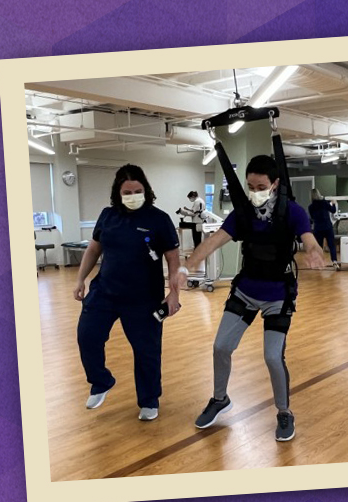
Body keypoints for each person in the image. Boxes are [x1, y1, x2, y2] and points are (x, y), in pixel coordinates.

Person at [181, 154, 325, 441]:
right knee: (221, 346)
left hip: (277, 296)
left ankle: (284, 412)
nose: (255, 192)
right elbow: (213, 241)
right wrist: (189, 264)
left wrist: (314, 250)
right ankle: (220, 399)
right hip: (246, 291)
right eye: (251, 186)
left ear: (274, 184)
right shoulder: (243, 214)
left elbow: (308, 237)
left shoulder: (291, 212)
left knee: (272, 356)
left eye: (261, 186)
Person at [75, 164, 182, 421]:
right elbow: (93, 250)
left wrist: (174, 293)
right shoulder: (107, 216)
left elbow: (173, 258)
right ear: (118, 193)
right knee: (87, 337)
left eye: (137, 190)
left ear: (146, 190)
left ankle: (149, 400)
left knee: (146, 350)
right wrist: (80, 279)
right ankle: (101, 381)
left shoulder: (159, 219)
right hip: (105, 292)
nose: (133, 195)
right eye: (127, 192)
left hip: (143, 298)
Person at [307, 188, 339, 266]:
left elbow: (312, 217)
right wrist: (334, 203)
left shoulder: (310, 207)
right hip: (327, 226)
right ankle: (334, 261)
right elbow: (333, 210)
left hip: (318, 228)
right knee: (331, 245)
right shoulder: (324, 203)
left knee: (319, 246)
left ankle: (319, 262)